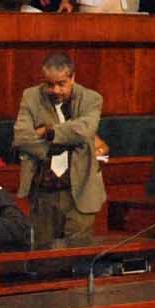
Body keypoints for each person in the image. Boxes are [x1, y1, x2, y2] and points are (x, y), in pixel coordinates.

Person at [13, 52, 109, 245]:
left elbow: (85, 130)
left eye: (61, 84)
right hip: (43, 191)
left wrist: (49, 133)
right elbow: (21, 137)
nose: (55, 90)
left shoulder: (91, 99)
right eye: (49, 84)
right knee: (43, 255)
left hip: (80, 192)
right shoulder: (31, 97)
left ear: (73, 77)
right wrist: (54, 147)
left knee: (78, 255)